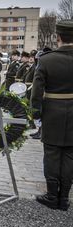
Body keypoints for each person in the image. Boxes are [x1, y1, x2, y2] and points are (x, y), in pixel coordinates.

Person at [31, 20, 73, 211]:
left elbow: (36, 92)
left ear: (58, 37)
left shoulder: (46, 60)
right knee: (70, 155)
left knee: (52, 154)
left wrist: (36, 114)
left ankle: (51, 195)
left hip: (53, 112)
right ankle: (64, 198)